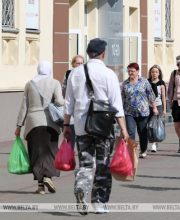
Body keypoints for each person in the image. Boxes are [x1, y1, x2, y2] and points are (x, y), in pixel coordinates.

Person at [63, 38, 129, 215]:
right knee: (103, 164)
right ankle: (99, 202)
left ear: (88, 53)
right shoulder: (109, 74)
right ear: (103, 53)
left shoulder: (74, 74)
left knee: (85, 162)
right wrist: (123, 129)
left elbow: (68, 102)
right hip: (103, 127)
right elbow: (116, 105)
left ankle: (81, 188)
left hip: (81, 126)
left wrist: (65, 124)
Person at [15, 61, 64, 194]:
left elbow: (24, 106)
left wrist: (19, 125)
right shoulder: (54, 83)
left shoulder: (30, 84)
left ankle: (40, 187)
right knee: (50, 151)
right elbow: (59, 101)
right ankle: (48, 177)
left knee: (36, 153)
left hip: (33, 123)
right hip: (50, 123)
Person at [121, 62, 158, 159]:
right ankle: (132, 151)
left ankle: (143, 149)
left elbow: (151, 95)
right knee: (130, 132)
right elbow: (122, 98)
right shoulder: (125, 84)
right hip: (129, 112)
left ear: (137, 71)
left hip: (143, 112)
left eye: (132, 71)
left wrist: (154, 107)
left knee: (142, 132)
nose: (130, 73)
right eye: (129, 71)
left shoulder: (144, 82)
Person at [62, 55, 85, 149]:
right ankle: (69, 155)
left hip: (82, 110)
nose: (80, 65)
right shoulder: (68, 74)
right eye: (78, 63)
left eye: (82, 63)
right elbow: (63, 90)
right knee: (70, 134)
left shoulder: (86, 74)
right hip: (71, 110)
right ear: (73, 64)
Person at [147, 65, 167, 153]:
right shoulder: (147, 82)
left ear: (159, 73)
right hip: (148, 106)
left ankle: (154, 143)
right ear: (150, 73)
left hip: (158, 106)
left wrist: (164, 109)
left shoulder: (161, 84)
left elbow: (163, 97)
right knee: (149, 125)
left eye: (156, 72)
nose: (154, 73)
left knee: (155, 126)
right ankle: (151, 140)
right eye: (152, 72)